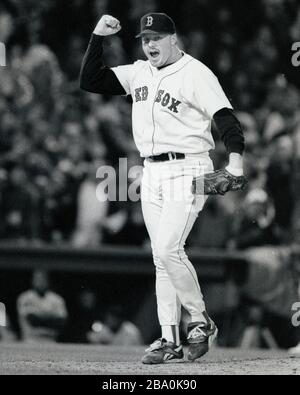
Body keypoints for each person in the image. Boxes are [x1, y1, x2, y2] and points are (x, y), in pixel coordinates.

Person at [80, 12, 245, 364]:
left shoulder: (196, 73)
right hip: (151, 172)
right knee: (161, 258)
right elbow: (90, 79)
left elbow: (225, 118)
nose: (150, 44)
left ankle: (200, 321)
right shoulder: (139, 72)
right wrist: (97, 37)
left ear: (173, 38)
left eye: (157, 37)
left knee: (170, 248)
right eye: (145, 38)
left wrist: (235, 163)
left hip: (189, 167)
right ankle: (169, 339)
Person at [17, 270, 68, 343]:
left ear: (48, 281)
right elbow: (32, 319)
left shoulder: (57, 299)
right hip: (30, 340)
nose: (40, 282)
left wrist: (40, 315)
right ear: (32, 281)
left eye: (43, 279)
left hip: (51, 340)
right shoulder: (25, 298)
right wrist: (50, 316)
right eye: (38, 279)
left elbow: (61, 320)